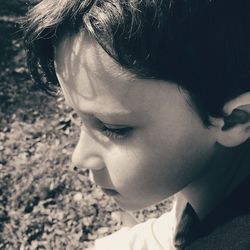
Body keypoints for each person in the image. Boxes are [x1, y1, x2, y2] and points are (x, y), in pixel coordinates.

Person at [23, 0, 250, 249]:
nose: (80, 157)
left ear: (234, 120)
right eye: (78, 116)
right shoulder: (213, 175)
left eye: (114, 128)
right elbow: (172, 233)